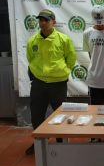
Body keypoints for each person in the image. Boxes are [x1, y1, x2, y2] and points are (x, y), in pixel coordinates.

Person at [26, 9, 76, 155]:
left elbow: (71, 58)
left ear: (53, 21)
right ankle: (39, 143)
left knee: (60, 114)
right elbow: (30, 58)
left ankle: (62, 142)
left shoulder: (63, 39)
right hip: (39, 83)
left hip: (58, 83)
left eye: (46, 20)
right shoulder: (32, 41)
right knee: (36, 114)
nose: (42, 23)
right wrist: (37, 73)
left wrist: (64, 70)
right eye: (40, 20)